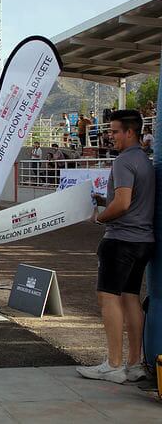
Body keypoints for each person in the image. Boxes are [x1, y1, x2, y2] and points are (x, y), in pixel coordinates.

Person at [77, 110, 154, 384]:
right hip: (143, 240)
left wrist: (100, 216)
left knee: (108, 298)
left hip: (121, 239)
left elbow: (122, 204)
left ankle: (113, 364)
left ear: (130, 132)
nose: (110, 136)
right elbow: (128, 199)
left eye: (115, 131)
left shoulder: (123, 161)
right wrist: (103, 199)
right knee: (131, 298)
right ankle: (134, 363)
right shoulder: (145, 160)